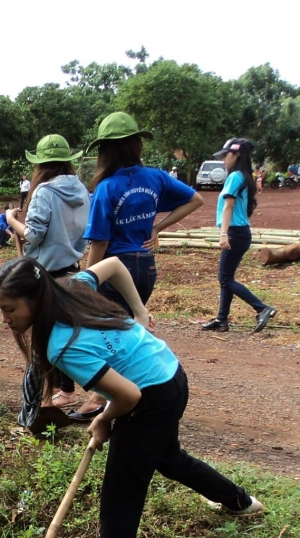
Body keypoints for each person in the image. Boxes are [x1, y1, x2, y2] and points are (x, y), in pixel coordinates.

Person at [0, 255, 264, 538]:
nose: (5, 319)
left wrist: (104, 419)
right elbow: (115, 265)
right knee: (168, 457)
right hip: (169, 374)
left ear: (36, 297)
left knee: (120, 502)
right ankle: (241, 502)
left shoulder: (62, 345)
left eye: (9, 309)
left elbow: (129, 396)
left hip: (149, 397)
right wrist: (139, 311)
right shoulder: (72, 287)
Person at [77, 111, 203, 420]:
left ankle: (105, 398)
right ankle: (110, 397)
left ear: (105, 151)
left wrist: (86, 282)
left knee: (108, 334)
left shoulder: (107, 188)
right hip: (145, 268)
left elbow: (100, 243)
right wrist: (157, 227)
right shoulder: (156, 178)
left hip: (115, 269)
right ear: (136, 145)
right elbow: (195, 199)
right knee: (124, 331)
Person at [5, 133, 90, 409]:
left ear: (41, 165)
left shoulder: (44, 192)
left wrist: (11, 221)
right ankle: (64, 389)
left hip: (46, 274)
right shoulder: (81, 190)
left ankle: (50, 395)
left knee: (45, 339)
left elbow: (33, 235)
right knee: (62, 332)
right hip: (72, 270)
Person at [201, 139, 277, 334]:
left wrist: (223, 233)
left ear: (236, 156)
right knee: (227, 277)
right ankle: (221, 319)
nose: (224, 160)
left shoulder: (235, 176)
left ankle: (261, 308)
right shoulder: (245, 177)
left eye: (226, 155)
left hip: (234, 232)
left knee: (225, 279)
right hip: (241, 233)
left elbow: (229, 206)